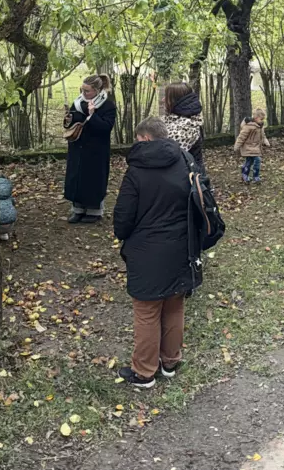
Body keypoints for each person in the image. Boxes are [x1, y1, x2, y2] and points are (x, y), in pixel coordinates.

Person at [112, 117, 209, 389]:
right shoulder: (185, 159)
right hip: (182, 245)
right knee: (174, 304)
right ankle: (170, 360)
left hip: (146, 250)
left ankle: (144, 372)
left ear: (143, 139)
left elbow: (123, 216)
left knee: (147, 310)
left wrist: (123, 235)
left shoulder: (136, 171)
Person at [61, 73, 117, 224]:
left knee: (93, 180)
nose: (83, 94)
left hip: (96, 151)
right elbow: (71, 123)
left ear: (97, 91)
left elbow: (106, 127)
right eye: (82, 90)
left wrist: (92, 115)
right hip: (78, 148)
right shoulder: (78, 103)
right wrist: (67, 120)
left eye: (87, 91)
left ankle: (94, 211)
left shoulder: (108, 106)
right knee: (76, 178)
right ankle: (77, 209)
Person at [162, 81, 204, 170]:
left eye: (167, 97)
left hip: (186, 179)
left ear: (175, 100)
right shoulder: (172, 119)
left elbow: (163, 155)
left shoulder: (188, 126)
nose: (163, 99)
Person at [232, 108, 271, 185]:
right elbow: (241, 137)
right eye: (261, 119)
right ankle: (247, 175)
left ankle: (254, 176)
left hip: (256, 148)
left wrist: (266, 142)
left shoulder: (260, 126)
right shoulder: (248, 126)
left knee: (253, 161)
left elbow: (263, 136)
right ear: (256, 118)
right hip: (248, 147)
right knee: (253, 161)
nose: (262, 120)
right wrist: (237, 146)